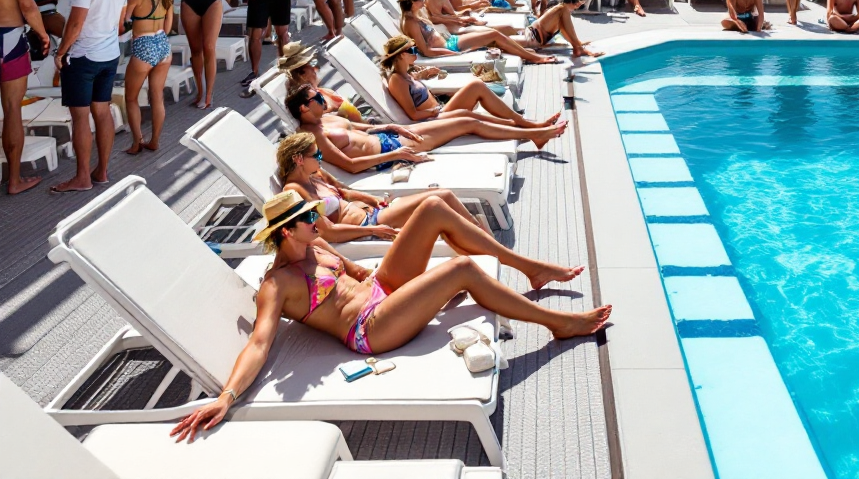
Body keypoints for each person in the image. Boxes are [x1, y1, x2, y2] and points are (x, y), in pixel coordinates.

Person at [169, 187, 610, 441]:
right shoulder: (277, 285)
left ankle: (527, 266)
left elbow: (360, 273)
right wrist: (226, 397)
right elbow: (259, 343)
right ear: (286, 231)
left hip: (382, 291)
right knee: (459, 269)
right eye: (307, 217)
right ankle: (558, 323)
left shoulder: (315, 245)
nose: (317, 220)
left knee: (433, 206)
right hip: (371, 328)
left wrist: (417, 290)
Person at [288, 84, 567, 173]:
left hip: (393, 137)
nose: (323, 99)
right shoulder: (313, 136)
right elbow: (349, 166)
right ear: (303, 108)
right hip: (393, 151)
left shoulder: (327, 119)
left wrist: (393, 125)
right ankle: (535, 134)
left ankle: (533, 132)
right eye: (317, 98)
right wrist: (396, 155)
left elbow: (364, 126)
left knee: (466, 120)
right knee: (468, 123)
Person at [276, 133, 490, 242]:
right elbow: (329, 232)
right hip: (369, 225)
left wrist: (372, 199)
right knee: (440, 198)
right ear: (299, 159)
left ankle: (477, 237)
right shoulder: (295, 192)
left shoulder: (316, 175)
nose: (321, 157)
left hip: (375, 212)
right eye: (316, 154)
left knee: (439, 200)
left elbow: (345, 192)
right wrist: (373, 230)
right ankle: (480, 237)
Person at [51, 0, 131, 193]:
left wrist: (61, 52)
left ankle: (82, 177)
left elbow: (76, 24)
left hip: (83, 55)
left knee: (81, 117)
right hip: (109, 54)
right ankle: (102, 171)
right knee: (102, 111)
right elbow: (120, 24)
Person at [381, 35, 563, 127]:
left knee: (477, 85)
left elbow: (414, 90)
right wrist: (435, 110)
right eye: (412, 50)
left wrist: (423, 76)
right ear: (401, 55)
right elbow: (413, 115)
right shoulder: (396, 80)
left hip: (439, 111)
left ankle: (524, 124)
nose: (415, 52)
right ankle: (526, 125)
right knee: (475, 94)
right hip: (432, 119)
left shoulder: (405, 75)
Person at [0, 0, 49, 194]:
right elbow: (28, 6)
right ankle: (15, 180)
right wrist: (42, 33)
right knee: (11, 109)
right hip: (9, 38)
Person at [398, 0, 558, 64]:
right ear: (410, 2)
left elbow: (436, 19)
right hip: (451, 46)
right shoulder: (410, 23)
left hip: (451, 40)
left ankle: (528, 54)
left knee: (493, 37)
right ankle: (535, 58)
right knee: (493, 35)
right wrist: (452, 54)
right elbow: (426, 50)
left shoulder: (417, 15)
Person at [121, 0, 174, 154]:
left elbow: (123, 23)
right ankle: (155, 141)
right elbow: (167, 28)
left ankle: (137, 143)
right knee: (157, 97)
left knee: (131, 98)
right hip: (163, 45)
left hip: (143, 45)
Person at [277, 41, 363, 123]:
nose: (315, 68)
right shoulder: (310, 102)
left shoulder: (319, 92)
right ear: (301, 74)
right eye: (309, 65)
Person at [524, 0, 602, 58]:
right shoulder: (561, 8)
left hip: (535, 38)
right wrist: (578, 46)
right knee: (563, 9)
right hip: (532, 36)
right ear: (571, 2)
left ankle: (578, 48)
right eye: (576, 5)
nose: (575, 9)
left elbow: (564, 30)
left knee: (563, 13)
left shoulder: (559, 17)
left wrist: (578, 43)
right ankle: (579, 48)